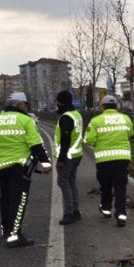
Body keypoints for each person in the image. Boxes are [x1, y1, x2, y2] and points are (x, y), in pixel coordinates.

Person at [0, 92, 52, 247]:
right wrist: (45, 163)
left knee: (5, 198)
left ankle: (5, 230)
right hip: (19, 167)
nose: (27, 107)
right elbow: (35, 144)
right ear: (20, 105)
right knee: (18, 201)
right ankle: (14, 236)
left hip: (0, 167)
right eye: (26, 104)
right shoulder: (26, 120)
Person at [85, 95, 134, 227]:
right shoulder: (126, 118)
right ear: (117, 106)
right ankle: (121, 215)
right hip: (122, 158)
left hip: (104, 159)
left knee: (105, 186)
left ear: (102, 106)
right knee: (120, 187)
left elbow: (89, 140)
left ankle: (106, 209)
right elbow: (130, 133)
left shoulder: (96, 121)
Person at [53, 91, 83, 225]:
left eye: (57, 101)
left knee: (63, 182)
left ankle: (69, 212)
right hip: (76, 154)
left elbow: (65, 139)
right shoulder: (76, 114)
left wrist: (60, 159)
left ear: (61, 102)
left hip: (67, 156)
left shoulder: (66, 117)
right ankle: (76, 211)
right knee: (71, 182)